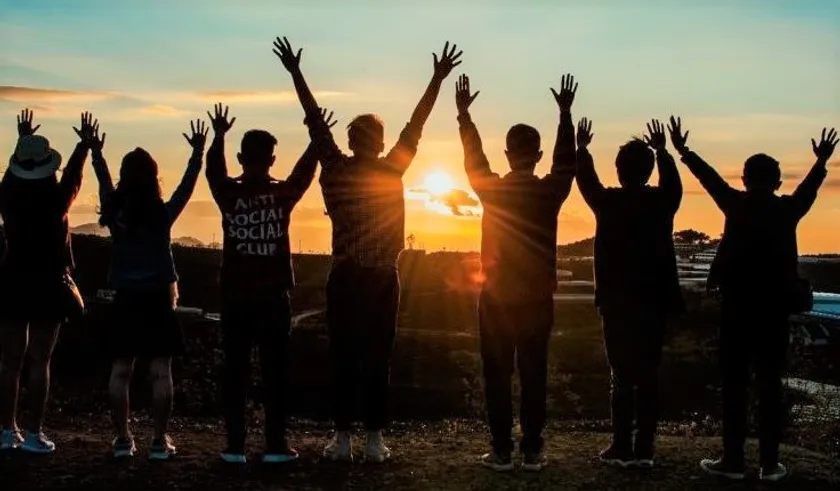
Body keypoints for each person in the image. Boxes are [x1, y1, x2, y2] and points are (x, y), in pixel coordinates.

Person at [273, 36, 461, 463]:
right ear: (379, 142)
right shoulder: (392, 169)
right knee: (378, 358)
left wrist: (296, 73)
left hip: (344, 276)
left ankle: (341, 439)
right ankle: (374, 441)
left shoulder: (335, 168)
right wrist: (436, 78)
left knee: (343, 357)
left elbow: (315, 123)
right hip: (381, 278)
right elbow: (416, 124)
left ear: (351, 139)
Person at [670, 118, 838, 482]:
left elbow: (709, 179)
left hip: (736, 309)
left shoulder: (736, 204)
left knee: (735, 385)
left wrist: (684, 151)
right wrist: (821, 161)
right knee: (770, 385)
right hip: (775, 312)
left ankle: (732, 460)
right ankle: (770, 463)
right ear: (777, 182)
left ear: (744, 179)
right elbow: (808, 189)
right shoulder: (787, 210)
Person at [455, 73, 577, 472]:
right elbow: (566, 164)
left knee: (497, 374)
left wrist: (464, 117)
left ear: (507, 155)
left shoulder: (492, 190)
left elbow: (474, 159)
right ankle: (533, 450)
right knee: (533, 373)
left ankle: (502, 450)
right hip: (537, 297)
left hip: (495, 297)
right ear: (537, 155)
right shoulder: (549, 192)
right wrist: (565, 115)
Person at [206, 103, 333, 465]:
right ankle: (275, 444)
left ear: (241, 157)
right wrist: (315, 140)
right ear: (272, 159)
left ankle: (234, 446)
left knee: (235, 371)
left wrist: (218, 136)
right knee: (275, 372)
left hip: (234, 296)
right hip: (273, 298)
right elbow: (303, 174)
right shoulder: (281, 194)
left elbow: (213, 171)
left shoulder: (228, 194)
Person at [94, 118, 208, 460]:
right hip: (159, 298)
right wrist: (197, 154)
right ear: (154, 178)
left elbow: (103, 183)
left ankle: (122, 439)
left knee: (121, 370)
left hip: (125, 299)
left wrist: (96, 153)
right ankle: (159, 441)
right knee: (160, 371)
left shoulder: (115, 213)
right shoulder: (161, 214)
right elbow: (186, 188)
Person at [575, 118, 684, 468]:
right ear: (649, 171)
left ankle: (621, 445)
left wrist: (582, 149)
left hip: (616, 301)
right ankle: (645, 448)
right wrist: (663, 152)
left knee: (620, 375)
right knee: (649, 373)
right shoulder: (662, 202)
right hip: (654, 300)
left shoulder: (608, 203)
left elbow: (586, 180)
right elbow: (674, 186)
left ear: (619, 170)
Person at [0, 110, 93, 453]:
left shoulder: (8, 195)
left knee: (9, 361)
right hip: (49, 283)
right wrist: (84, 145)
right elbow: (73, 177)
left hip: (12, 279)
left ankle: (5, 430)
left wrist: (22, 139)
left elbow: (12, 176)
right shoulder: (56, 200)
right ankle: (33, 432)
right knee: (40, 359)